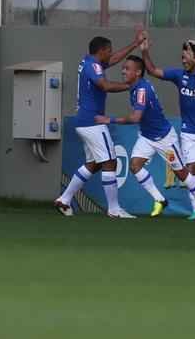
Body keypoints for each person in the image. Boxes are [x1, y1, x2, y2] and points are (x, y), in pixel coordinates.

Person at [94, 53, 195, 221]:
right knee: (135, 166)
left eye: (127, 69)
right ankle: (160, 199)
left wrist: (109, 119)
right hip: (147, 137)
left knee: (181, 173)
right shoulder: (135, 87)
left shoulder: (142, 90)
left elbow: (135, 118)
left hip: (164, 138)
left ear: (138, 72)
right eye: (123, 69)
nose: (123, 72)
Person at [53, 33, 143, 218]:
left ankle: (64, 199)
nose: (111, 54)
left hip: (84, 121)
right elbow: (105, 85)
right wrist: (131, 85)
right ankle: (114, 209)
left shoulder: (89, 62)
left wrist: (135, 43)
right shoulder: (93, 66)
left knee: (93, 164)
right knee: (110, 161)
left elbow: (116, 59)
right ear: (101, 51)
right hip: (93, 122)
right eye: (109, 51)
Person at [141, 39, 195, 220]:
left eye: (187, 56)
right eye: (182, 57)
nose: (184, 60)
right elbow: (153, 71)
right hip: (188, 131)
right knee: (191, 170)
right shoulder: (179, 75)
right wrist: (145, 52)